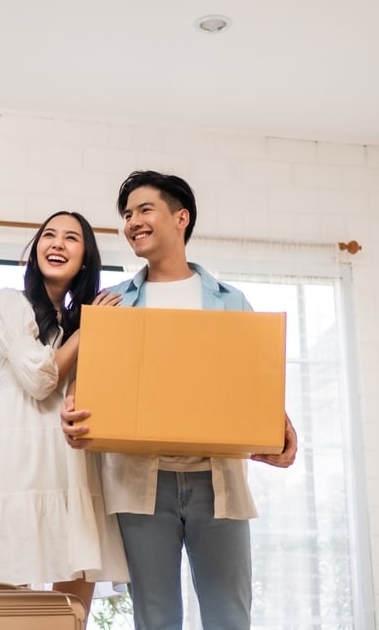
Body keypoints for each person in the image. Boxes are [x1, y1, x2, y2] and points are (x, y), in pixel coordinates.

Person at [61, 171, 298, 630]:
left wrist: (280, 430)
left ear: (180, 217)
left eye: (144, 210)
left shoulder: (231, 302)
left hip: (218, 482)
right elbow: (85, 390)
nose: (132, 222)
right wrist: (73, 415)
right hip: (140, 486)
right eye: (126, 215)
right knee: (155, 619)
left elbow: (253, 387)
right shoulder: (113, 305)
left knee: (229, 615)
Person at [0, 211, 128, 617]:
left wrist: (94, 327)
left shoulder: (87, 321)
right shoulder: (9, 303)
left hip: (76, 471)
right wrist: (91, 330)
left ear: (85, 258)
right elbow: (38, 378)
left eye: (71, 238)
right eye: (49, 235)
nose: (57, 244)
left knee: (70, 618)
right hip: (19, 470)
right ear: (35, 251)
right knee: (11, 617)